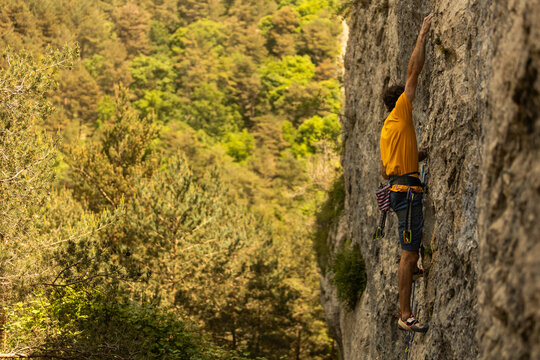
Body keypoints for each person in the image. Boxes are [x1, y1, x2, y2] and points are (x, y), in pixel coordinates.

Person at [379, 13, 433, 333]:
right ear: (399, 101)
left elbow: (387, 169)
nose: (410, 99)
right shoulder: (401, 111)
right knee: (408, 254)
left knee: (409, 251)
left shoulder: (389, 128)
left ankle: (411, 273)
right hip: (407, 194)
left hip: (400, 190)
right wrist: (422, 34)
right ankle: (405, 315)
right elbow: (414, 71)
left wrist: (420, 153)